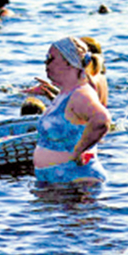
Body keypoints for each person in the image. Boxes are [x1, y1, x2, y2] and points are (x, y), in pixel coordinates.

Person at [33, 37, 112, 184]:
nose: (46, 63)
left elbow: (102, 120)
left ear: (69, 63)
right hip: (58, 181)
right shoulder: (66, 94)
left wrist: (79, 150)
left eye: (50, 58)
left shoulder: (81, 94)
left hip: (77, 181)